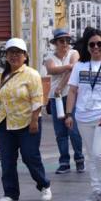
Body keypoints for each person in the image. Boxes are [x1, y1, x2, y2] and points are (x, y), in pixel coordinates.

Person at [65, 27, 101, 201]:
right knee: (92, 155)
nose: (96, 47)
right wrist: (68, 114)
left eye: (99, 44)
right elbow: (72, 91)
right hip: (83, 117)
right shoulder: (79, 67)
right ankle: (96, 190)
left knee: (99, 153)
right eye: (92, 44)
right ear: (87, 47)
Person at [0, 38, 51, 201]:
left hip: (27, 122)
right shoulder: (0, 76)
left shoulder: (31, 74)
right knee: (7, 160)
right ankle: (10, 193)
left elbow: (37, 99)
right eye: (11, 52)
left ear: (25, 56)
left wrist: (34, 121)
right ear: (6, 56)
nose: (14, 56)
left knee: (30, 156)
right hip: (5, 122)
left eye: (18, 52)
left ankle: (44, 184)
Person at [43, 29, 84, 174]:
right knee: (60, 132)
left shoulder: (74, 53)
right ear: (55, 43)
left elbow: (74, 71)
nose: (65, 43)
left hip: (70, 95)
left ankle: (79, 159)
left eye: (67, 40)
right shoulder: (50, 57)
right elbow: (51, 70)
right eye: (61, 41)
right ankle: (64, 162)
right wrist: (68, 67)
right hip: (56, 98)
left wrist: (60, 85)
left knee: (73, 129)